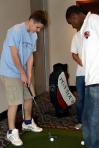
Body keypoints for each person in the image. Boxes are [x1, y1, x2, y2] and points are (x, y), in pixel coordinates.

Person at [0, 10, 48, 146]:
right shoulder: (15, 31)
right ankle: (11, 132)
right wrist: (22, 72)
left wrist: (29, 74)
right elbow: (14, 54)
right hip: (9, 71)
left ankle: (27, 123)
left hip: (22, 72)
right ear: (31, 21)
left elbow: (30, 56)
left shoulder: (33, 35)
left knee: (29, 97)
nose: (38, 31)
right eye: (37, 27)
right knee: (15, 101)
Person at [66, 5, 99, 148]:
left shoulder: (94, 20)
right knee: (87, 116)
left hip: (97, 80)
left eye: (70, 22)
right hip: (89, 80)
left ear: (75, 16)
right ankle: (90, 144)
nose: (72, 26)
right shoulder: (83, 31)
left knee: (93, 118)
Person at [70, 31, 85, 130]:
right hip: (81, 74)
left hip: (95, 74)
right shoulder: (77, 35)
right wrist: (84, 65)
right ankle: (80, 121)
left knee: (94, 100)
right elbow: (74, 54)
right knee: (80, 99)